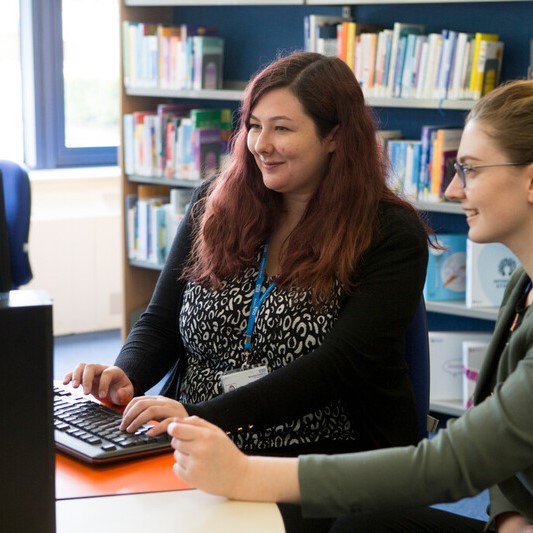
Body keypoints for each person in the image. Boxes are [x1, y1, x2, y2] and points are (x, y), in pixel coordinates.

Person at [166, 78, 533, 533]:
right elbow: (508, 446)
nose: (455, 192)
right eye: (254, 126)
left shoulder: (385, 230)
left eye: (471, 170)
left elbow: (454, 463)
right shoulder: (521, 285)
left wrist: (243, 472)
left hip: (326, 442)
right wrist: (510, 515)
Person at [64, 53, 429, 462]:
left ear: (334, 137)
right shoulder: (216, 203)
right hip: (193, 442)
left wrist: (203, 417)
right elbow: (160, 322)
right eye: (254, 126)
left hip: (321, 461)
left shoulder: (387, 232)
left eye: (282, 128)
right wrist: (125, 374)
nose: (261, 144)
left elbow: (339, 367)